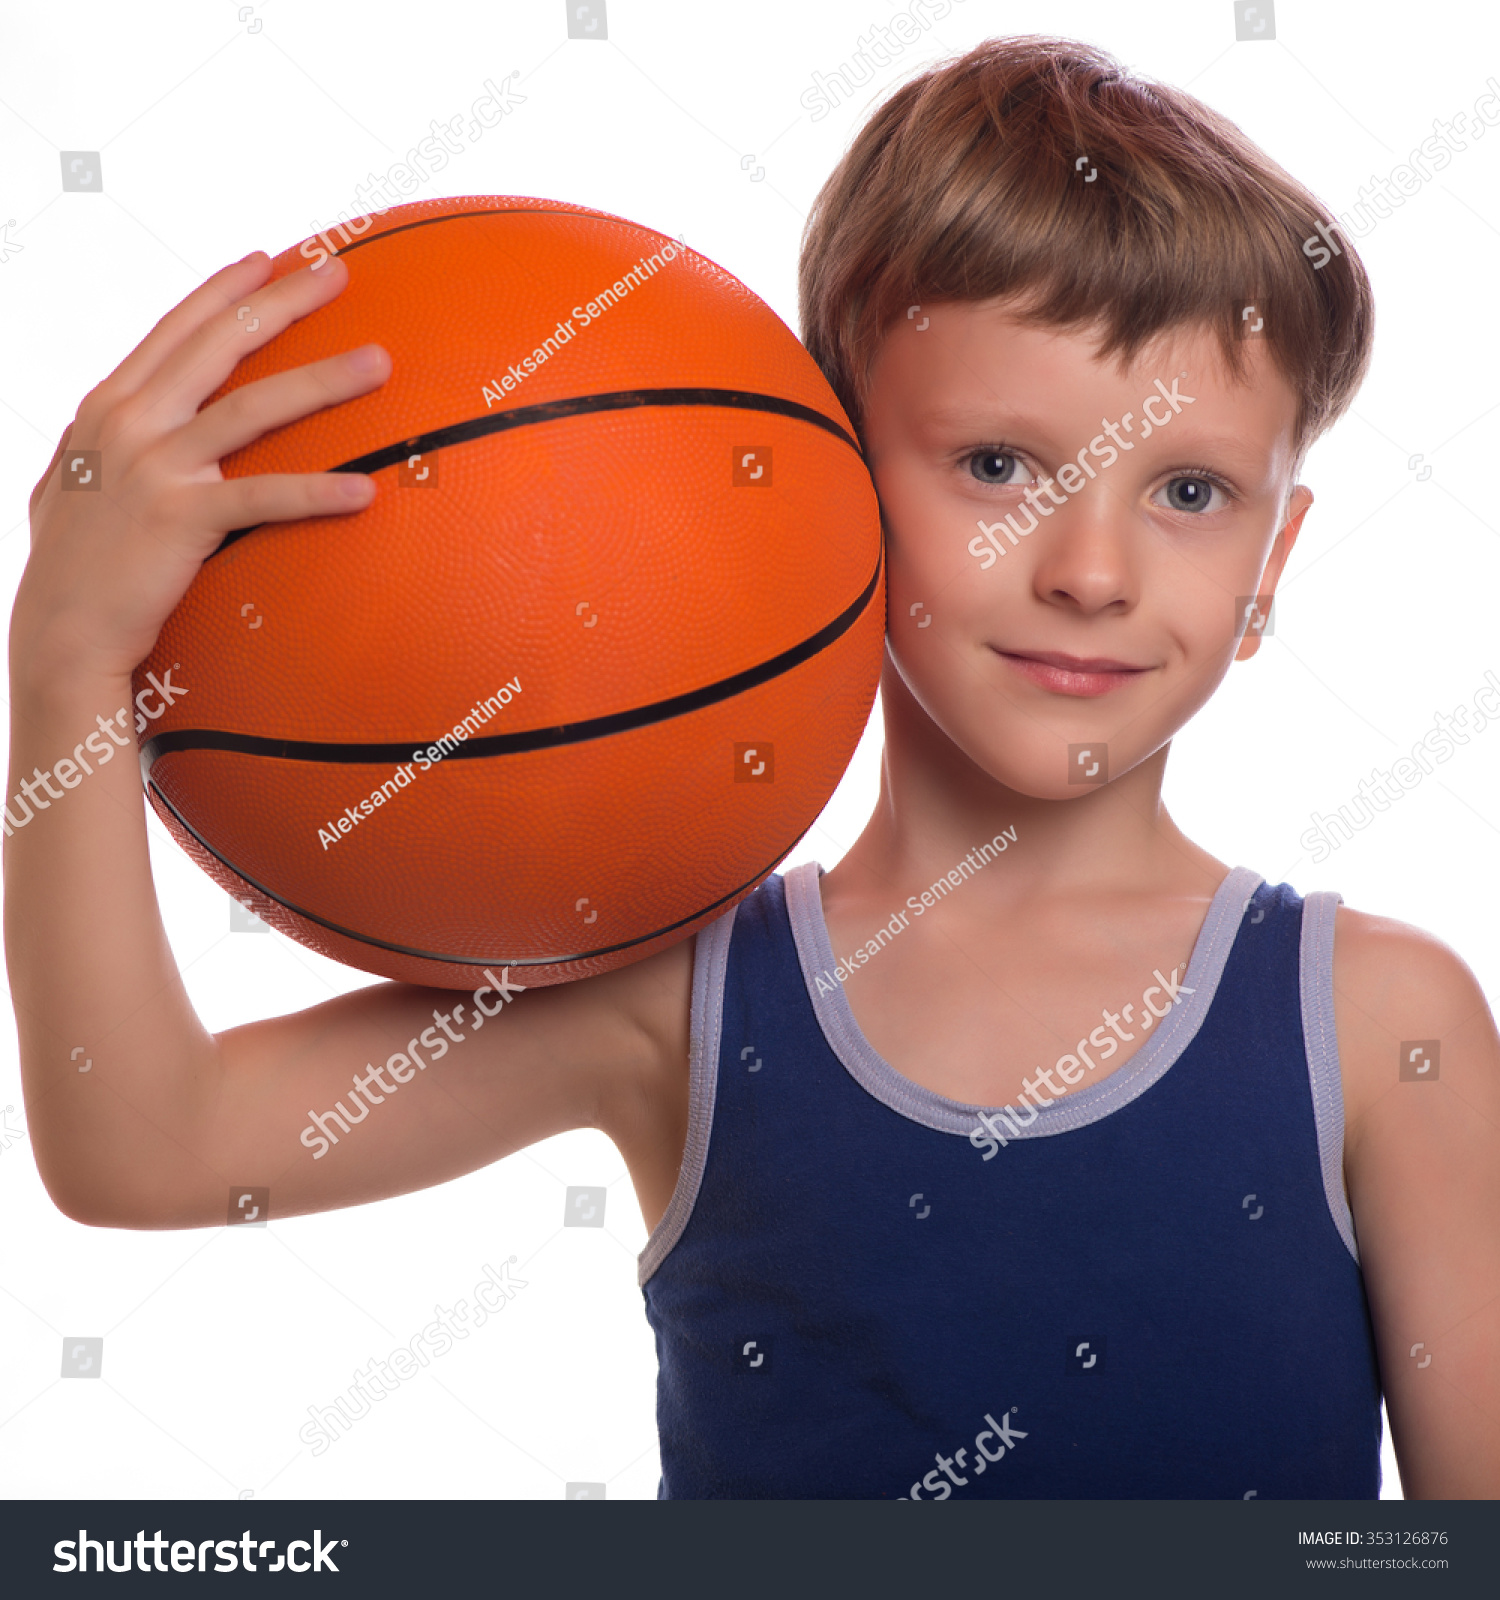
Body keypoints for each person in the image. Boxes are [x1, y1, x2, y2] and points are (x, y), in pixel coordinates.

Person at [9, 36, 1497, 1498]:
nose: (1092, 571)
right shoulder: (678, 991)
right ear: (827, 472)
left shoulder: (1374, 1020)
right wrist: (66, 662)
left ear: (1273, 560)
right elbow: (149, 1147)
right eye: (996, 466)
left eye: (1189, 491)